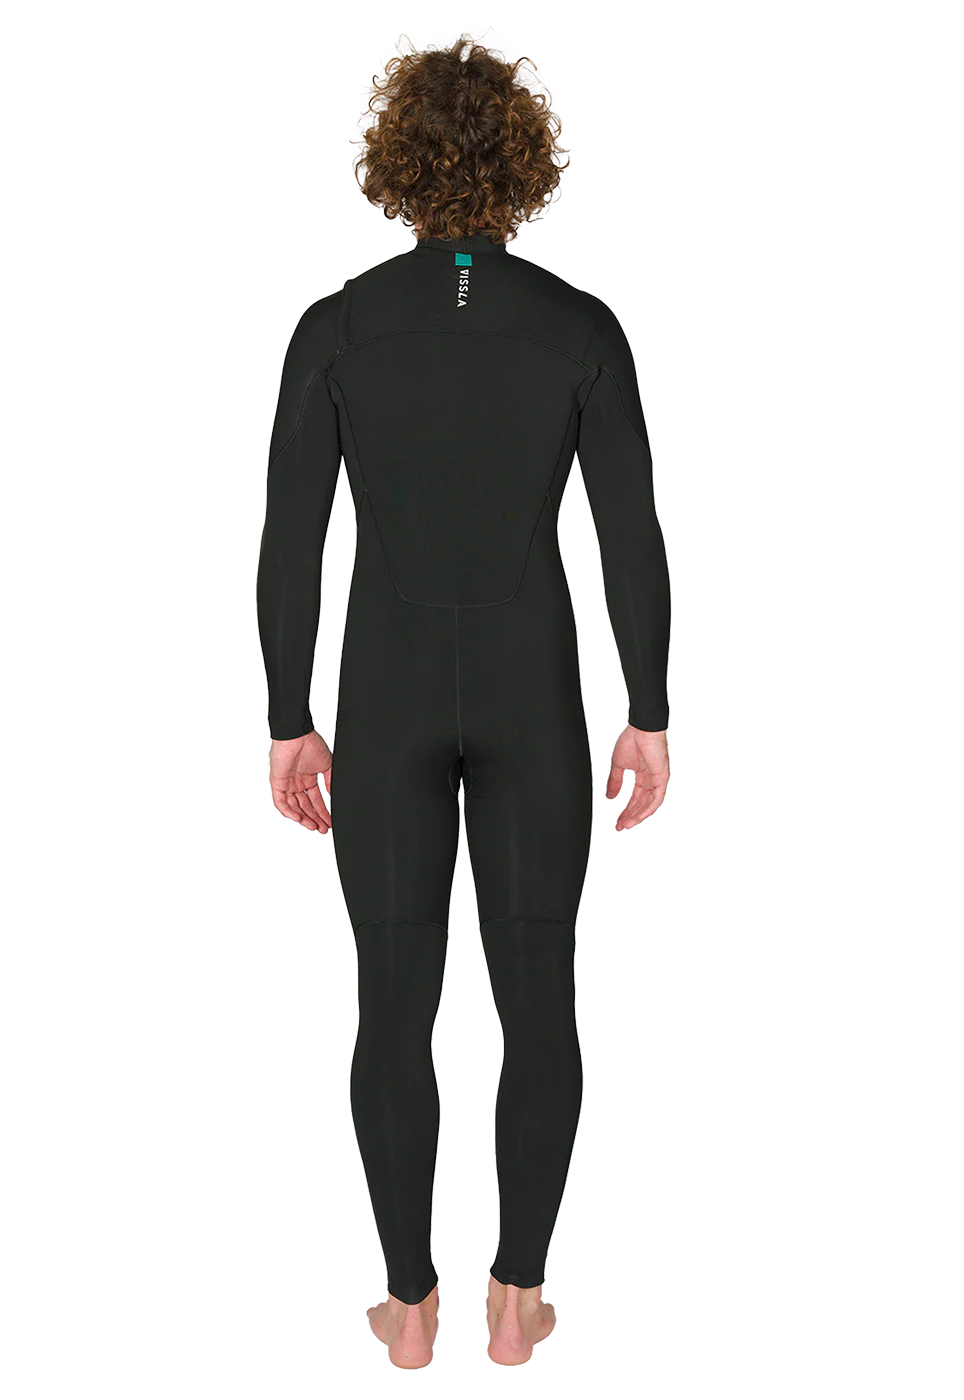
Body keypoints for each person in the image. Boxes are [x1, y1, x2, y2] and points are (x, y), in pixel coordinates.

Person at [255, 30, 671, 1369]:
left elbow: (290, 543)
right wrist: (649, 711)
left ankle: (408, 1303)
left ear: (395, 160)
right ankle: (521, 1296)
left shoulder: (336, 327)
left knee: (394, 997)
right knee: (541, 992)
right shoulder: (579, 329)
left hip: (383, 691)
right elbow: (630, 537)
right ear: (524, 162)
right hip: (532, 690)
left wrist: (287, 718)